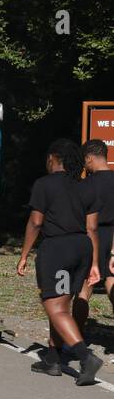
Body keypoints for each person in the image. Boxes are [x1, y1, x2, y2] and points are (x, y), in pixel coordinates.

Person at [15, 140, 102, 384]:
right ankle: (52, 358)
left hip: (57, 248)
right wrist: (94, 262)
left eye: (47, 158)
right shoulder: (87, 186)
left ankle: (85, 357)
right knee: (62, 303)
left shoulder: (45, 184)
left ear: (53, 158)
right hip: (81, 247)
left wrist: (24, 255)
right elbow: (92, 228)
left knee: (54, 307)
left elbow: (35, 222)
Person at [76, 139, 114, 332]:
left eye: (84, 160)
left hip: (91, 237)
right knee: (112, 282)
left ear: (89, 158)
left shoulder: (85, 185)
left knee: (85, 289)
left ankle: (74, 335)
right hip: (113, 237)